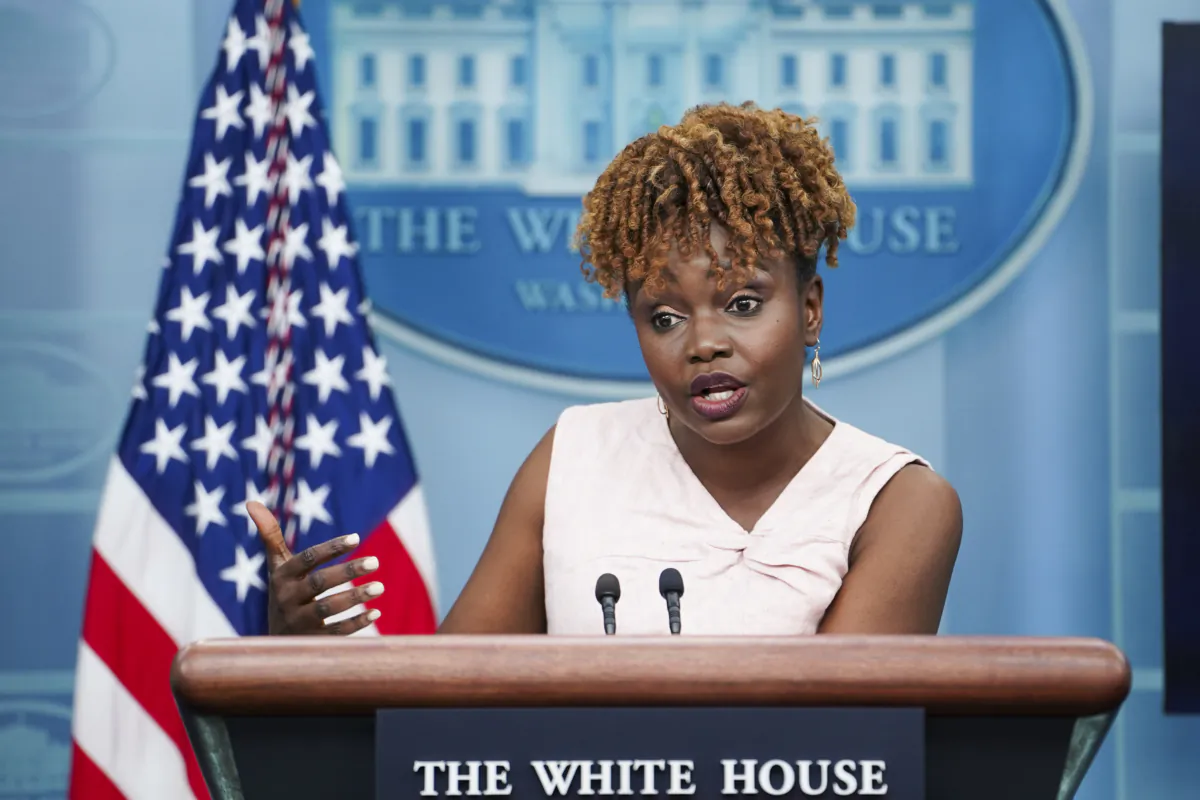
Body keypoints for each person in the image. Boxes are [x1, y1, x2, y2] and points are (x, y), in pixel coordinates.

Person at [247, 101, 963, 638]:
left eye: (743, 303)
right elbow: (448, 708)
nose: (702, 343)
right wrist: (304, 645)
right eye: (664, 317)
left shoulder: (899, 503)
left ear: (809, 309)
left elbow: (847, 753)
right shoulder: (574, 456)